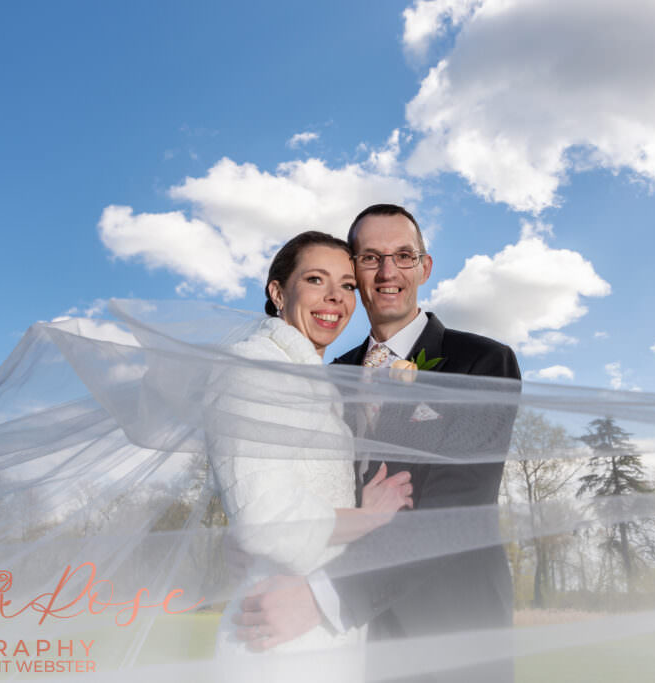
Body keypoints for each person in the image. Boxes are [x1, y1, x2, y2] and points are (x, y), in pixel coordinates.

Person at [237, 204, 521, 682]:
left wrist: (325, 598)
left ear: (424, 268)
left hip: (449, 633)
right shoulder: (329, 378)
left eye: (403, 256)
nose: (388, 272)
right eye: (370, 258)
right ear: (355, 271)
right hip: (343, 647)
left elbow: (455, 506)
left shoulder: (482, 361)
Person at [208, 230, 413, 681]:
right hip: (276, 636)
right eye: (317, 280)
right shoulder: (253, 369)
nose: (335, 299)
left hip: (322, 638)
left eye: (347, 286)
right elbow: (266, 521)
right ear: (278, 291)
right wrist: (369, 517)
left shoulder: (313, 381)